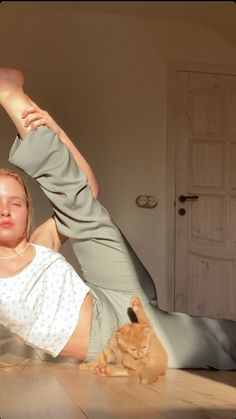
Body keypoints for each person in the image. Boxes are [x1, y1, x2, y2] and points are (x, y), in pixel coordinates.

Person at [0, 67, 236, 370]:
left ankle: (11, 95)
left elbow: (88, 191)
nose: (5, 210)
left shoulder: (40, 244)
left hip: (110, 285)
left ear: (27, 212)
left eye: (15, 202)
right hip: (115, 333)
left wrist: (57, 131)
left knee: (78, 207)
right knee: (217, 342)